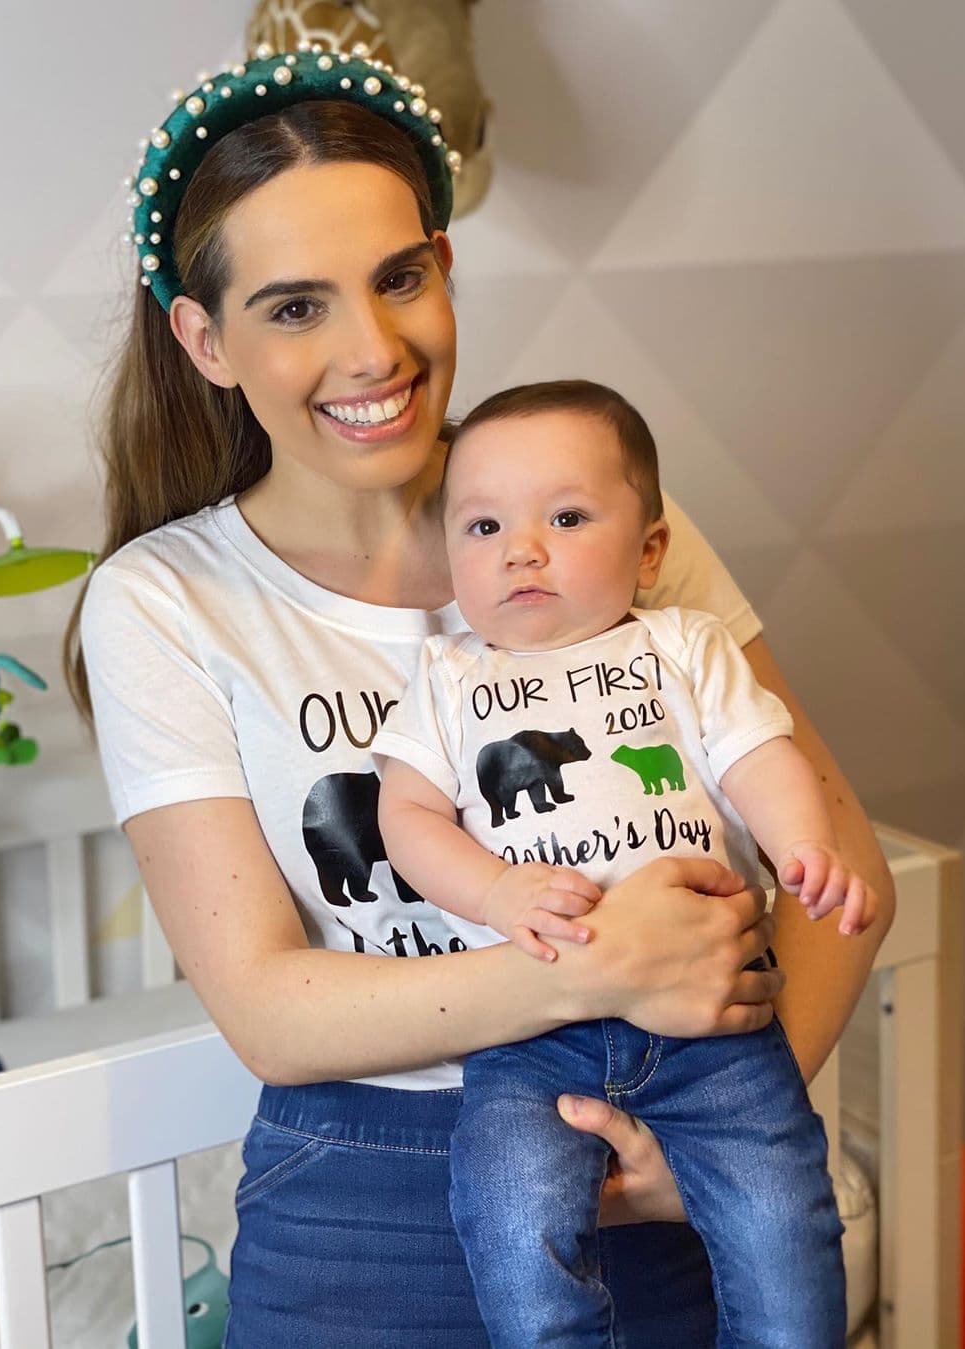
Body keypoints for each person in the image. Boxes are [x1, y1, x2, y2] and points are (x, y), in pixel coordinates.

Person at [67, 42, 894, 1348]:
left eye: (398, 278)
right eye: (295, 307)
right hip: (360, 1206)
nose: (371, 349)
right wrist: (598, 964)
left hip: (652, 1146)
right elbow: (272, 1011)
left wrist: (730, 1138)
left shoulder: (591, 510)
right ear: (205, 338)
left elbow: (845, 870)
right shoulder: (165, 601)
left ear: (445, 267)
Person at [374, 379, 880, 1346]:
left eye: (566, 518)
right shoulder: (446, 677)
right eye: (483, 526)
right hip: (532, 1032)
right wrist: (495, 888)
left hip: (715, 1031)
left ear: (650, 550)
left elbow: (759, 755)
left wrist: (802, 845)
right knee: (511, 1209)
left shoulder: (684, 645)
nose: (521, 549)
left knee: (784, 1217)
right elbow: (407, 816)